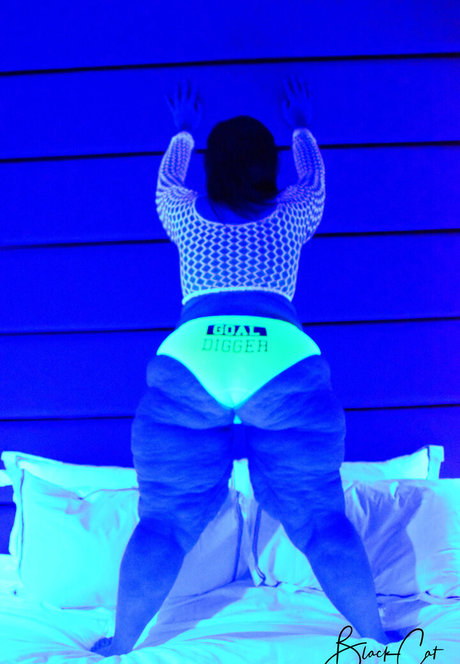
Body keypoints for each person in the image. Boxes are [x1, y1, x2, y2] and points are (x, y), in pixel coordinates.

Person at [91, 75, 388, 656]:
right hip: (279, 360)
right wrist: (301, 126)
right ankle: (377, 637)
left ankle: (120, 642)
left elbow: (166, 184)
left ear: (212, 169)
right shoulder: (294, 213)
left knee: (164, 522)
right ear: (268, 168)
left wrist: (183, 132)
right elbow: (315, 179)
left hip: (193, 359)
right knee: (320, 518)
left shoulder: (184, 215)